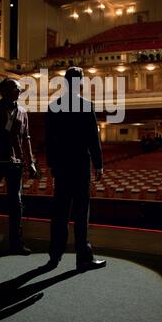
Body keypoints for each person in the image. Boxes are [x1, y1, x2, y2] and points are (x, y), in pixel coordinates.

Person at [45, 66, 106, 272]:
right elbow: (92, 138)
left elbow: (49, 140)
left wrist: (52, 164)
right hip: (80, 167)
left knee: (60, 212)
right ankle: (83, 258)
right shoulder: (86, 105)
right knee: (81, 214)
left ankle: (55, 254)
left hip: (62, 167)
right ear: (79, 82)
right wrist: (98, 164)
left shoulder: (54, 106)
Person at [0, 78, 36, 260]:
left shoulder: (23, 112)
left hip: (15, 163)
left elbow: (26, 138)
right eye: (16, 89)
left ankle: (16, 243)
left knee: (16, 204)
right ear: (5, 91)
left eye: (19, 89)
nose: (19, 91)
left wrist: (31, 161)